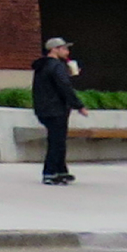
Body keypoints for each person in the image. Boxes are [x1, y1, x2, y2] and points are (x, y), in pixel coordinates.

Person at [31, 37, 87, 185]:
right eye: (64, 48)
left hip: (43, 108)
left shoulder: (42, 66)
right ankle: (49, 172)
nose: (67, 52)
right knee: (57, 141)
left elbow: (51, 84)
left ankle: (61, 170)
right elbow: (64, 87)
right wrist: (78, 105)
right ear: (54, 49)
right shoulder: (56, 66)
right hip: (56, 109)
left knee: (58, 140)